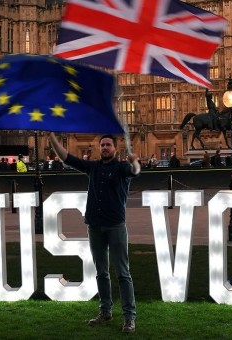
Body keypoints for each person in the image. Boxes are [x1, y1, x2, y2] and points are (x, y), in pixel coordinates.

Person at [48, 132, 140, 333]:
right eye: (103, 145)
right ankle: (105, 311)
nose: (105, 147)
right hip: (95, 226)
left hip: (115, 226)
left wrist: (135, 163)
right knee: (101, 272)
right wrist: (52, 138)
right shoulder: (93, 168)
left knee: (123, 273)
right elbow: (67, 158)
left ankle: (129, 317)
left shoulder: (121, 167)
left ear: (115, 148)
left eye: (108, 145)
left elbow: (134, 171)